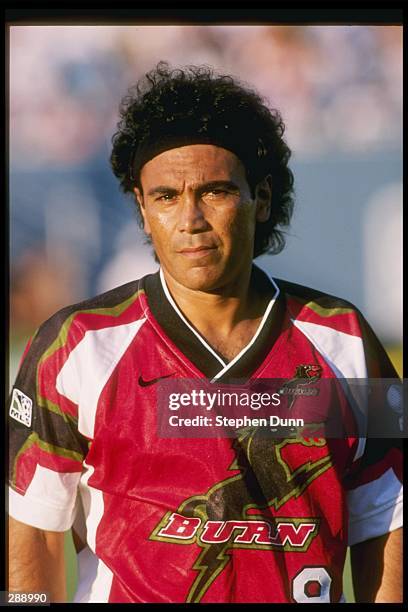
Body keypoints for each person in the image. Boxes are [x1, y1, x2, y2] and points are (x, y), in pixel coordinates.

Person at [8, 62, 402, 604]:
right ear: (143, 211)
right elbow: (34, 528)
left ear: (261, 197)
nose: (190, 218)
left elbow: (388, 514)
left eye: (215, 191)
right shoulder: (75, 345)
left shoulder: (348, 339)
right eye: (166, 196)